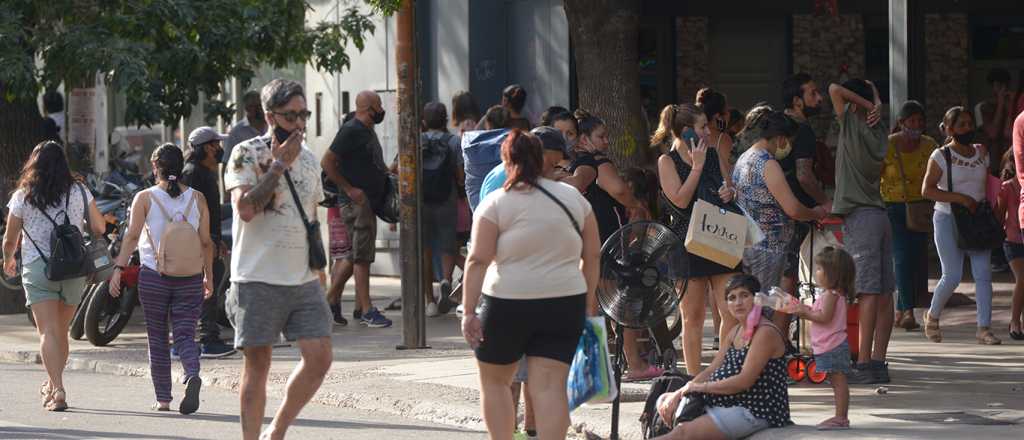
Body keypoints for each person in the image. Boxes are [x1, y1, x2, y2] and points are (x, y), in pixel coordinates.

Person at [461, 129, 600, 440]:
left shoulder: (496, 202)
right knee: (550, 387)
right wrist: (588, 303)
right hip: (565, 302)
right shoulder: (574, 199)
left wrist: (468, 311)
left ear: (507, 162)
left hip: (506, 302)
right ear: (543, 161)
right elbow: (591, 255)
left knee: (495, 383)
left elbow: (478, 260)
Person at [225, 79, 335, 439]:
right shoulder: (246, 153)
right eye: (291, 116)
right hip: (257, 278)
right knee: (258, 365)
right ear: (271, 116)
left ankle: (278, 430)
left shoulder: (308, 159)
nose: (300, 124)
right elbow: (244, 209)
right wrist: (276, 168)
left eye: (304, 114)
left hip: (302, 277)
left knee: (320, 358)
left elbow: (312, 216)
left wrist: (321, 271)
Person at [113, 143, 215, 414]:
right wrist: (209, 277)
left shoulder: (145, 198)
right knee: (185, 333)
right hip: (191, 275)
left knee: (157, 337)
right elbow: (206, 243)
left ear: (155, 168)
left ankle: (163, 399)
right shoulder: (198, 199)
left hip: (153, 276)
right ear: (181, 168)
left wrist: (118, 269)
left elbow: (132, 237)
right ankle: (191, 373)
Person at [3, 141, 105, 411]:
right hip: (73, 268)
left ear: (33, 164)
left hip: (38, 267)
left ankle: (57, 387)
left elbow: (10, 238)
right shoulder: (79, 191)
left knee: (47, 331)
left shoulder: (23, 195)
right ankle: (53, 383)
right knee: (61, 331)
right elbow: (98, 226)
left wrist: (8, 259)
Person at [654, 103, 742, 376]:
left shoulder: (714, 154)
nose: (708, 132)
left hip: (718, 235)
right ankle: (694, 380)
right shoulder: (667, 161)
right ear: (685, 131)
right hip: (687, 242)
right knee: (692, 316)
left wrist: (730, 193)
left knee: (730, 311)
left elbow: (728, 187)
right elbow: (679, 201)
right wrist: (696, 167)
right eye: (702, 127)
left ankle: (722, 372)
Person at [654, 274, 790, 440]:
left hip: (756, 410)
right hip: (730, 401)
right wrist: (680, 392)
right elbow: (712, 369)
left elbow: (744, 381)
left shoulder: (765, 332)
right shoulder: (735, 332)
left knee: (682, 432)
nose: (738, 302)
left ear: (757, 299)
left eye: (744, 295)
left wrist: (700, 388)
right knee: (663, 398)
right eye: (732, 298)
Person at [829, 79, 896, 384]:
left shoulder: (852, 126)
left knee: (867, 291)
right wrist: (876, 101)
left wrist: (870, 103)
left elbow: (833, 89)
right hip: (880, 215)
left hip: (859, 216)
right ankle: (880, 362)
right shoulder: (880, 132)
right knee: (884, 292)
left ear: (854, 105)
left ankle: (865, 363)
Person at [921, 106, 1002, 346]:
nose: (968, 128)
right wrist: (960, 198)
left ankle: (984, 328)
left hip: (978, 220)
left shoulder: (981, 153)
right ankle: (933, 316)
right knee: (952, 275)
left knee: (983, 274)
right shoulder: (940, 156)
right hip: (948, 219)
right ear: (949, 129)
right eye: (962, 125)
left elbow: (987, 184)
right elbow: (927, 190)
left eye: (969, 123)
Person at [321, 90, 393, 328]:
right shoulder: (351, 130)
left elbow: (371, 162)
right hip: (356, 202)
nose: (382, 109)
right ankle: (366, 309)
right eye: (379, 105)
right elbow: (327, 161)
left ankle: (330, 301)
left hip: (366, 202)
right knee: (362, 258)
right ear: (369, 107)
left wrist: (387, 173)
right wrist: (350, 189)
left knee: (354, 256)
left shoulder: (366, 131)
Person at [734, 110, 828, 292]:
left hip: (748, 245)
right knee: (765, 307)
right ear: (779, 138)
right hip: (769, 247)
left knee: (754, 306)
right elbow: (792, 209)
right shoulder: (767, 163)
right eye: (789, 141)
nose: (788, 146)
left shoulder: (744, 157)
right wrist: (816, 212)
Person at [181, 126, 237, 358]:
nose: (220, 149)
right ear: (207, 147)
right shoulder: (194, 173)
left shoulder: (204, 172)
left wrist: (216, 238)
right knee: (207, 286)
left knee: (211, 281)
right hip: (197, 242)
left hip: (207, 239)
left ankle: (206, 336)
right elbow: (191, 213)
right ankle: (207, 339)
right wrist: (207, 241)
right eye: (216, 144)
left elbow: (211, 211)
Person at [881, 101, 937, 331]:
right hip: (894, 206)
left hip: (920, 208)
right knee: (902, 258)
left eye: (920, 121)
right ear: (901, 123)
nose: (916, 126)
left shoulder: (930, 145)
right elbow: (875, 175)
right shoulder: (888, 145)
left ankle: (901, 310)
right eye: (911, 121)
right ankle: (907, 311)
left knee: (916, 257)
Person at [779, 73, 833, 297]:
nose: (819, 98)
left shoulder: (777, 125)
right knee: (789, 271)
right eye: (813, 93)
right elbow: (804, 175)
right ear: (796, 101)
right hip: (796, 211)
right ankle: (782, 326)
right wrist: (824, 202)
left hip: (770, 209)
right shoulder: (802, 130)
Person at [794, 247, 856, 430]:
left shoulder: (831, 295)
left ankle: (841, 418)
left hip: (833, 345)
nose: (816, 272)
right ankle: (840, 416)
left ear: (833, 274)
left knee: (838, 382)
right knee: (836, 381)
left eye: (820, 269)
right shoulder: (832, 294)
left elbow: (824, 317)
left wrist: (805, 313)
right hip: (830, 344)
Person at [420, 101, 464, 316]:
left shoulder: (416, 140)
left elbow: (397, 167)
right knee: (448, 244)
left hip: (422, 201)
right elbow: (460, 174)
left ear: (423, 121)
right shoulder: (454, 141)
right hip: (447, 198)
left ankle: (429, 301)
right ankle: (446, 279)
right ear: (445, 119)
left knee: (425, 249)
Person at [996, 148, 1024, 341]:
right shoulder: (1007, 188)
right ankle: (1015, 321)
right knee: (1022, 278)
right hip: (1013, 241)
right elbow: (999, 216)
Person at [695, 88, 736, 188]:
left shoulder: (692, 133)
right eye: (727, 111)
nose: (729, 114)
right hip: (718, 195)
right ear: (718, 116)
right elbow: (731, 175)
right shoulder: (723, 139)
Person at [225, 91, 268, 165]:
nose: (259, 109)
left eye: (260, 105)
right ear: (246, 108)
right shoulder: (237, 132)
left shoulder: (272, 126)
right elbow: (227, 160)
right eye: (254, 106)